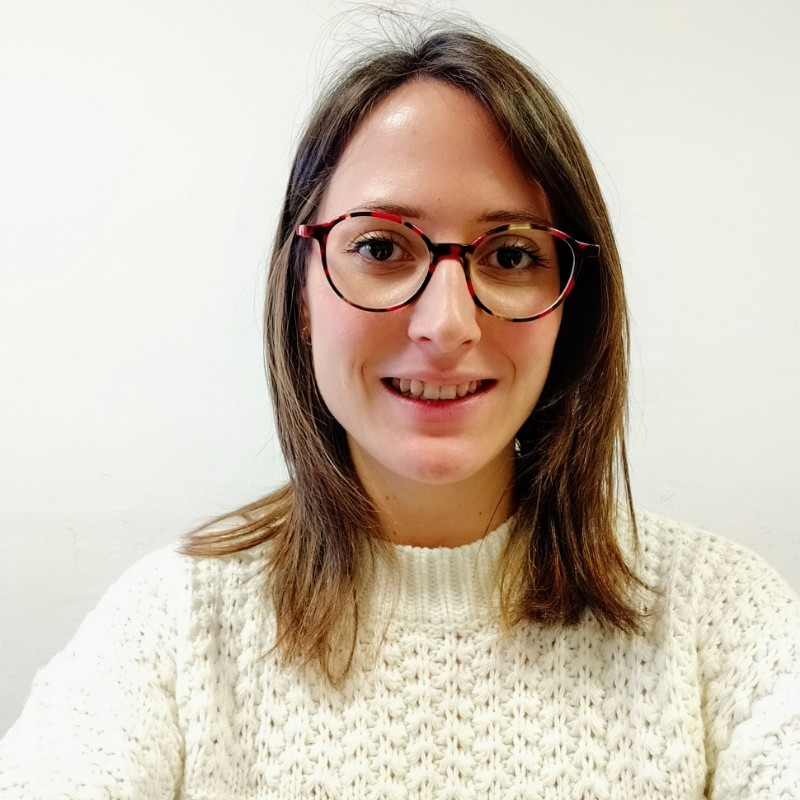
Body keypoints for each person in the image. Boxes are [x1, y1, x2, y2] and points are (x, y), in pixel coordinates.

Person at [1, 21, 798, 800]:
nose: (446, 325)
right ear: (301, 294)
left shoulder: (719, 616)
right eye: (382, 248)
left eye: (511, 254)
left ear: (570, 305)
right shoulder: (173, 624)